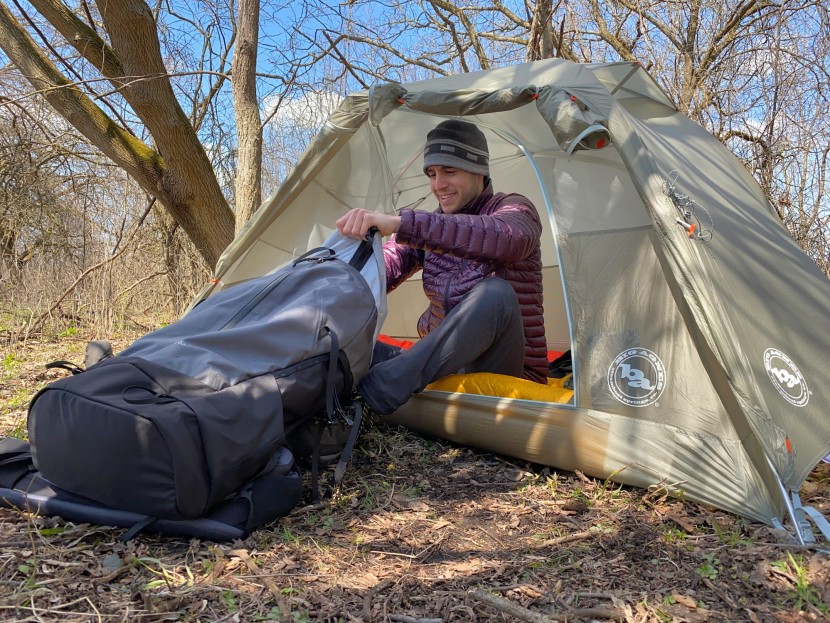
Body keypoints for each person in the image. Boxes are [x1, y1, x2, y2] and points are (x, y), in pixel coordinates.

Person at [336, 119, 547, 415]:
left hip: (502, 369)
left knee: (496, 293)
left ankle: (376, 392)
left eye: (449, 171)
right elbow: (387, 264)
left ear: (479, 170)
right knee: (346, 349)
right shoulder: (429, 227)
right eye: (432, 174)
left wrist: (401, 223)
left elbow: (509, 239)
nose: (438, 185)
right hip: (442, 364)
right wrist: (331, 282)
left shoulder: (514, 209)